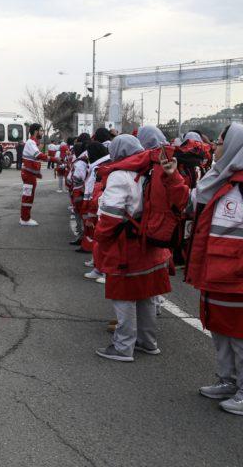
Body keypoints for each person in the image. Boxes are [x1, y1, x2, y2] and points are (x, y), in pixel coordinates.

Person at [94, 134, 185, 362]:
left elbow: (111, 214)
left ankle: (123, 347)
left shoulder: (119, 174)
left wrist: (101, 239)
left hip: (125, 245)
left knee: (124, 296)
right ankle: (148, 342)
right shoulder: (151, 169)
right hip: (152, 242)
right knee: (147, 295)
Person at [187, 123, 243, 415]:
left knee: (239, 335)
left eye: (220, 142)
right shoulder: (221, 177)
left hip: (236, 276)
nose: (215, 147)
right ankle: (228, 381)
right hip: (216, 272)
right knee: (220, 329)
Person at [82, 142, 111, 282]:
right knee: (97, 240)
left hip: (106, 208)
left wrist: (90, 207)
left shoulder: (105, 167)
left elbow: (98, 190)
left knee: (106, 242)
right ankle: (98, 268)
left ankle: (106, 271)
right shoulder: (100, 167)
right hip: (98, 207)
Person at [20, 123, 47, 226]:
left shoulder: (33, 143)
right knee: (27, 196)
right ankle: (25, 219)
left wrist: (37, 173)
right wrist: (53, 159)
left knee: (28, 196)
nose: (42, 133)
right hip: (28, 175)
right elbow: (38, 155)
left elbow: (33, 161)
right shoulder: (31, 142)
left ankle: (25, 217)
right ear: (36, 131)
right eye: (41, 130)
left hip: (30, 174)